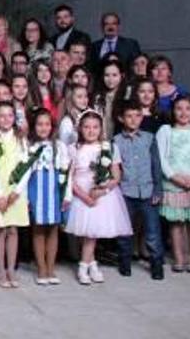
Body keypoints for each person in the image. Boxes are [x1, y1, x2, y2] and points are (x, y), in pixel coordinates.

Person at [64, 110, 133, 285]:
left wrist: (101, 191)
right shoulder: (73, 149)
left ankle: (87, 265)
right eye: (86, 127)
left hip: (102, 195)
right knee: (89, 234)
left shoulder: (108, 147)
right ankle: (88, 265)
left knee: (92, 234)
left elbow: (116, 176)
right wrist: (84, 196)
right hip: (81, 194)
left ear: (101, 128)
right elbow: (69, 178)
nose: (91, 131)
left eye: (95, 127)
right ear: (79, 129)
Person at [114, 101, 164, 280]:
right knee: (125, 230)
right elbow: (116, 167)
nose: (133, 120)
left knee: (152, 231)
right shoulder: (117, 141)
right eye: (129, 116)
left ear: (142, 117)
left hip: (148, 190)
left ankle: (156, 264)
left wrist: (158, 189)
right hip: (126, 191)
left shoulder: (150, 138)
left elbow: (156, 165)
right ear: (121, 118)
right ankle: (124, 262)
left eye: (137, 116)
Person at [0, 101, 31, 288]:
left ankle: (11, 269)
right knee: (0, 230)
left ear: (15, 118)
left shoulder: (21, 139)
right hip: (0, 192)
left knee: (13, 230)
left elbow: (26, 167)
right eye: (2, 115)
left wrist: (16, 192)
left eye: (10, 115)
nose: (6, 119)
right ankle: (0, 270)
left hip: (16, 192)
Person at [25, 108, 69, 285]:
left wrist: (67, 195)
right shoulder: (30, 147)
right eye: (39, 124)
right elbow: (26, 173)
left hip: (54, 190)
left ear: (52, 126)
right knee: (38, 229)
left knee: (53, 229)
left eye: (47, 124)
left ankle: (51, 267)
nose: (43, 128)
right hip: (36, 189)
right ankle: (41, 267)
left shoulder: (59, 146)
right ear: (34, 126)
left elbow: (66, 171)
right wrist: (27, 198)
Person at [156, 96, 190, 272]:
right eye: (179, 108)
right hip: (174, 184)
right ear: (173, 111)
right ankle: (179, 258)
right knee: (177, 223)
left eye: (188, 108)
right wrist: (176, 178)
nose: (183, 113)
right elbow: (162, 159)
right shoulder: (166, 131)